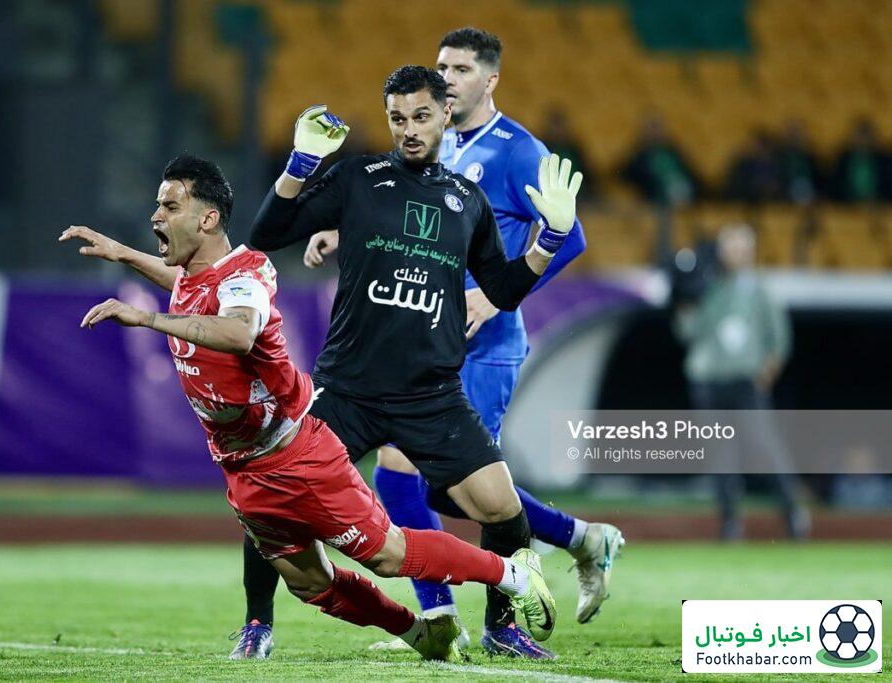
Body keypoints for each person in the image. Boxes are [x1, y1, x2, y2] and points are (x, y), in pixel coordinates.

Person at [60, 153, 557, 664]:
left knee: (387, 556)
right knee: (310, 584)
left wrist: (146, 318)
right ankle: (420, 633)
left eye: (169, 206)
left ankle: (513, 574)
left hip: (295, 455)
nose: (156, 217)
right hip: (242, 466)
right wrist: (122, 254)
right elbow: (184, 287)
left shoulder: (246, 274)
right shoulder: (194, 276)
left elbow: (239, 332)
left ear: (207, 219)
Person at [244, 64, 584, 660]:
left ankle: (502, 628)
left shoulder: (468, 201)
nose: (409, 129)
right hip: (348, 390)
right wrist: (300, 166)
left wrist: (548, 240)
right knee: (274, 494)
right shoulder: (358, 179)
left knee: (504, 511)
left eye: (421, 116)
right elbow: (266, 232)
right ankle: (257, 624)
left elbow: (502, 290)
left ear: (445, 114)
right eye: (397, 118)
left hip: (431, 395)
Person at [674, 224, 810, 540]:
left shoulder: (760, 290)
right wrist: (683, 300)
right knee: (719, 455)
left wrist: (767, 371)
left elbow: (779, 338)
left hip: (746, 381)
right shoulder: (707, 288)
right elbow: (688, 332)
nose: (734, 254)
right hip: (708, 381)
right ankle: (730, 522)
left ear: (750, 252)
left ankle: (792, 513)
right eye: (729, 247)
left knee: (765, 447)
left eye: (740, 247)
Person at [622, 113, 698, 206]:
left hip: (689, 196)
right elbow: (626, 177)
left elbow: (692, 174)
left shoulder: (674, 152)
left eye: (658, 129)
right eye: (651, 130)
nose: (656, 133)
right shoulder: (638, 158)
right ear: (643, 133)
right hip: (660, 200)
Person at [831, 119, 891, 202]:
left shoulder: (884, 161)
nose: (863, 142)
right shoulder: (843, 160)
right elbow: (835, 189)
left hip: (878, 205)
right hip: (849, 205)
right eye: (860, 138)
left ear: (873, 139)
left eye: (866, 138)